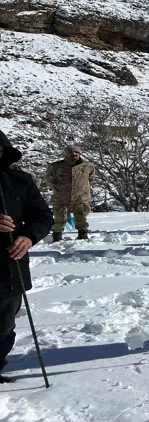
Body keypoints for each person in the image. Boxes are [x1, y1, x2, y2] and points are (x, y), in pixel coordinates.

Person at [0, 131, 52, 383]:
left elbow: (43, 216)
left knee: (4, 325)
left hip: (10, 265)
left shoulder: (20, 181)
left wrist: (28, 237)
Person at [45, 146, 94, 242]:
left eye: (76, 152)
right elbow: (49, 179)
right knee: (60, 219)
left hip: (81, 197)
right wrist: (59, 188)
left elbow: (91, 178)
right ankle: (57, 237)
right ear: (66, 154)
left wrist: (83, 188)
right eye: (71, 153)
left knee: (82, 219)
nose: (74, 154)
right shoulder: (55, 166)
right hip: (62, 197)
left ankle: (83, 236)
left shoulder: (88, 166)